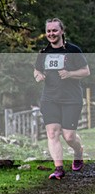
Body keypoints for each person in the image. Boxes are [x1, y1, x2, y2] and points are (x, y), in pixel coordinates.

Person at [34, 18, 90, 180]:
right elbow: (36, 71)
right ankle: (58, 168)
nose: (51, 34)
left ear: (62, 31)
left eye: (54, 30)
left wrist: (70, 74)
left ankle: (78, 152)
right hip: (49, 98)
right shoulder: (43, 53)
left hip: (71, 98)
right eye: (49, 31)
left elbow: (86, 71)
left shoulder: (73, 50)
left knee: (69, 136)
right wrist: (39, 75)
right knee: (52, 133)